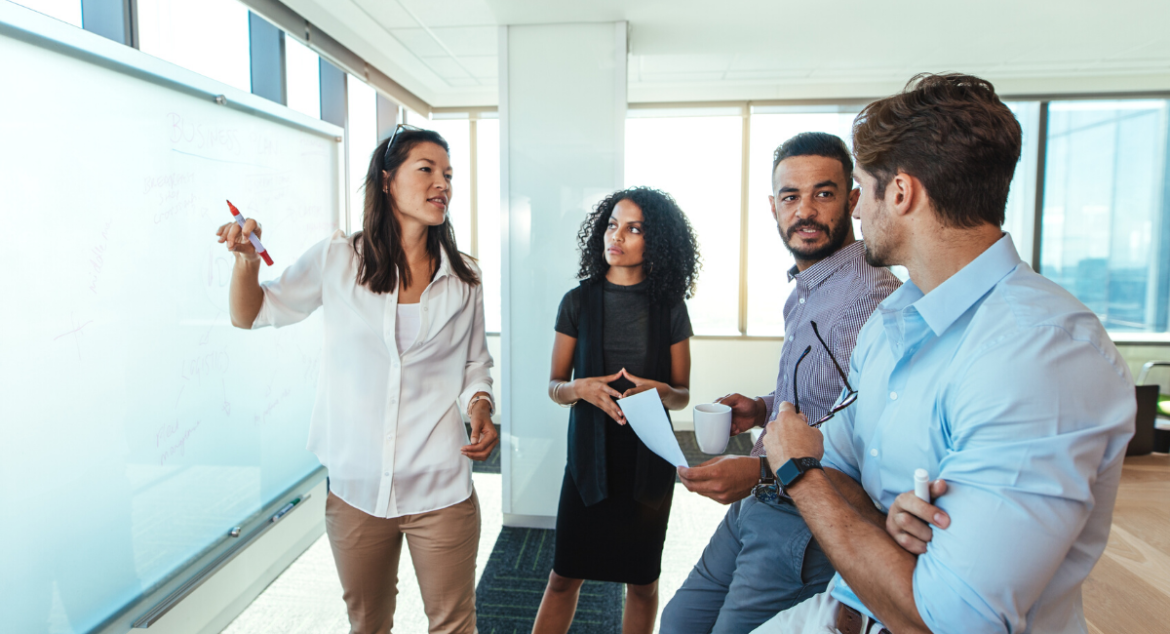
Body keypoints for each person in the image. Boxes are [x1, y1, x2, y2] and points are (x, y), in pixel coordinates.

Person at [752, 74, 1136, 634]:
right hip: (840, 612)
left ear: (902, 193)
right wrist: (883, 519)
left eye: (864, 190)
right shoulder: (893, 321)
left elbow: (951, 620)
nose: (858, 216)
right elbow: (836, 461)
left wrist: (797, 473)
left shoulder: (1042, 354)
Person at [215, 125, 497, 634]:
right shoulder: (338, 259)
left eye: (449, 175)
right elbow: (250, 313)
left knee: (454, 625)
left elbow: (475, 363)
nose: (443, 184)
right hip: (356, 488)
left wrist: (480, 407)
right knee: (367, 625)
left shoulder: (464, 278)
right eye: (427, 169)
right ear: (387, 181)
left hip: (441, 485)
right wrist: (246, 261)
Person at [661, 133, 900, 633]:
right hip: (761, 500)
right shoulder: (807, 289)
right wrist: (764, 408)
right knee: (680, 620)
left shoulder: (868, 298)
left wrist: (757, 472)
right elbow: (819, 398)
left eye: (824, 193)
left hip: (805, 518)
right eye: (791, 197)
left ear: (853, 200)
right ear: (773, 206)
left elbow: (853, 438)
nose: (805, 211)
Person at [533, 187, 701, 634]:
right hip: (589, 460)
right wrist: (579, 389)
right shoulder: (578, 302)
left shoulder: (669, 308)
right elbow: (554, 386)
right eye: (612, 224)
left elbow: (681, 394)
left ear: (656, 241)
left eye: (633, 228)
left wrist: (660, 389)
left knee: (642, 582)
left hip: (648, 462)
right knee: (563, 577)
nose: (617, 236)